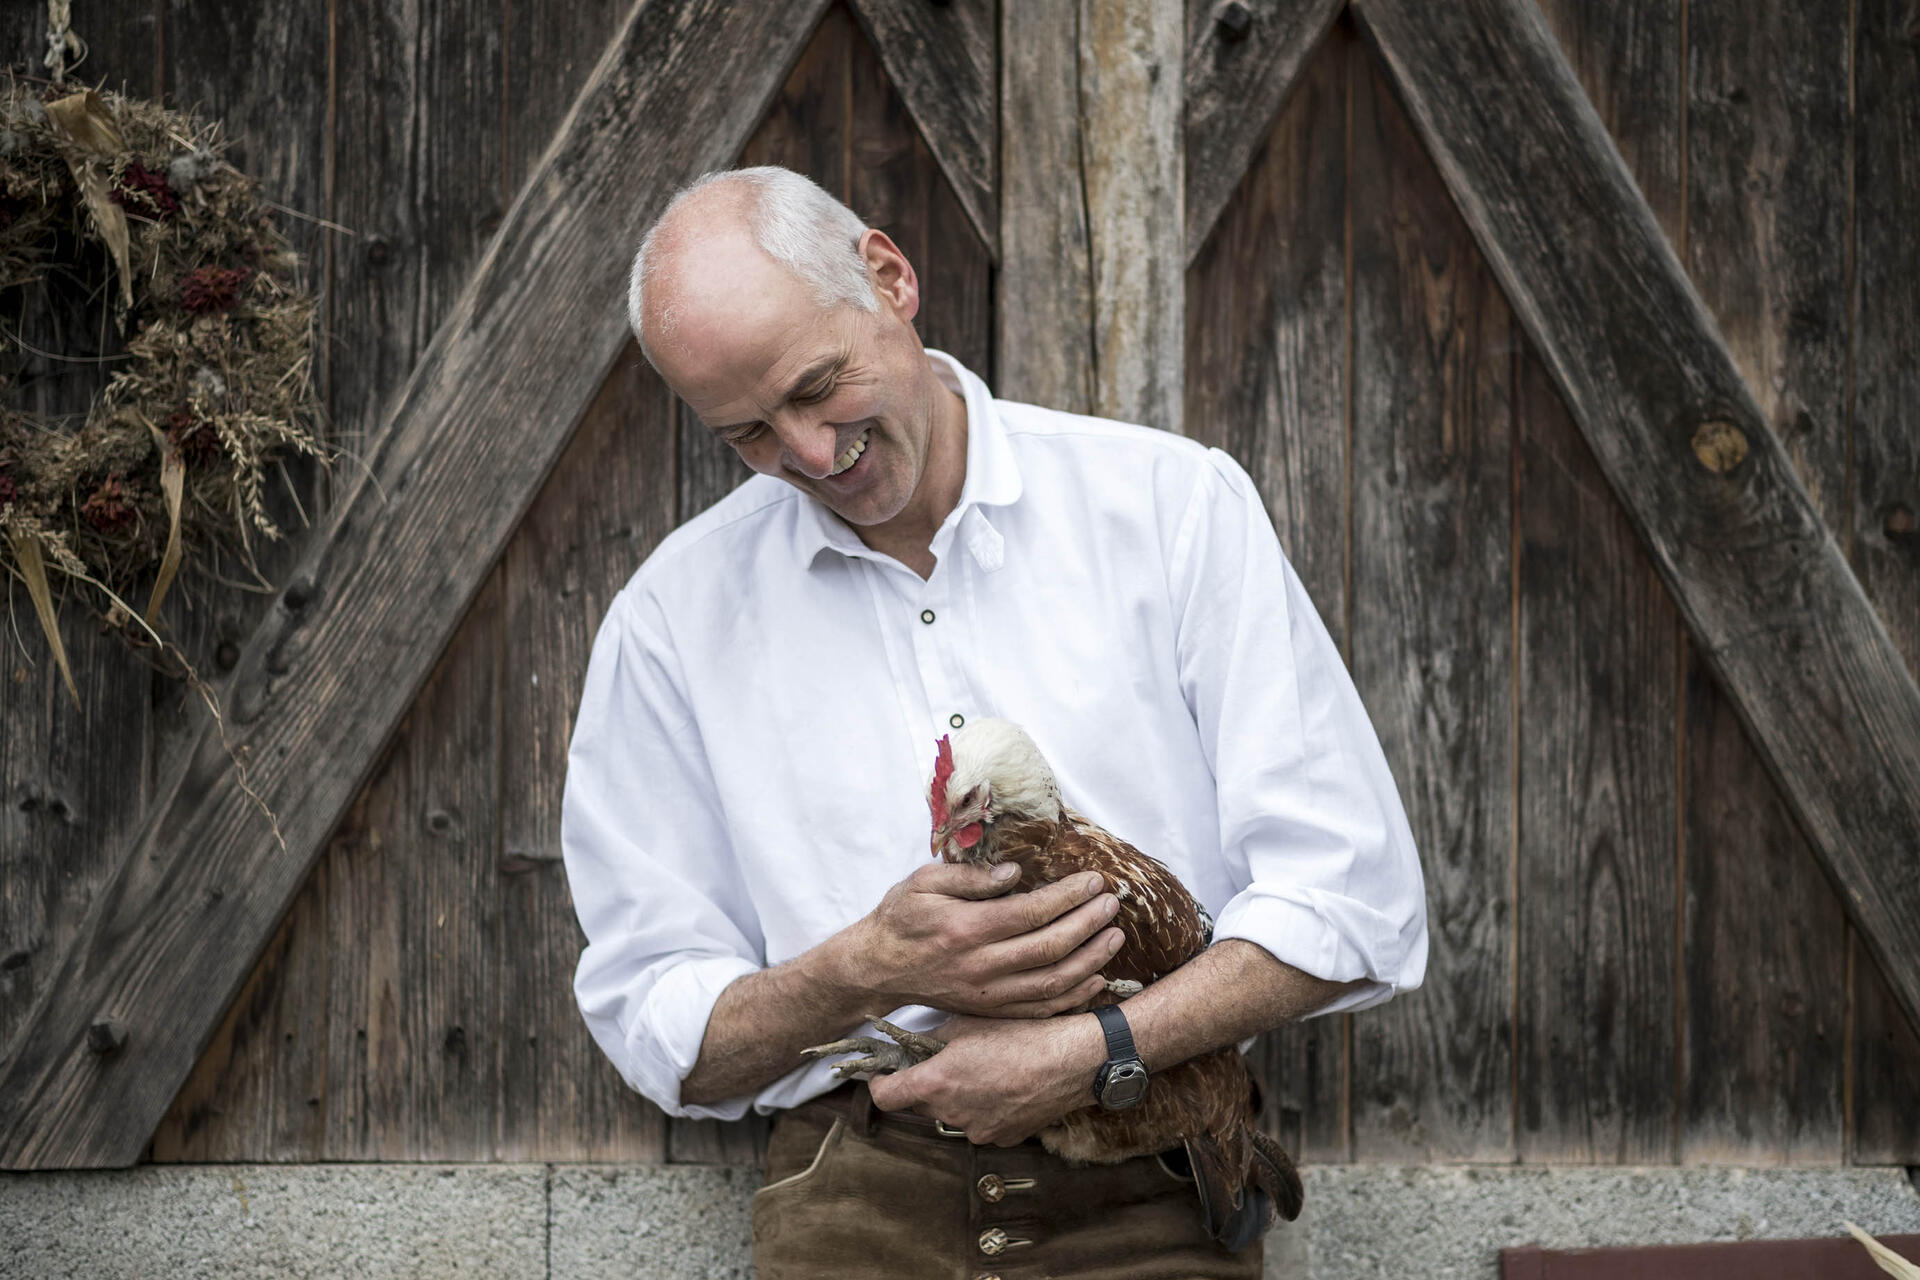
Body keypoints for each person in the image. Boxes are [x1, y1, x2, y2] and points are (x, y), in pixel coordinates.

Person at [561, 165, 1427, 1278]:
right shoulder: (674, 620)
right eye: (750, 435)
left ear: (889, 278)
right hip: (856, 1198)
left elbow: (1353, 901)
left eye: (819, 384)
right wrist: (865, 967)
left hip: (1153, 1179)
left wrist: (1097, 1047)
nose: (813, 455)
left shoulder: (1166, 510)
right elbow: (657, 1021)